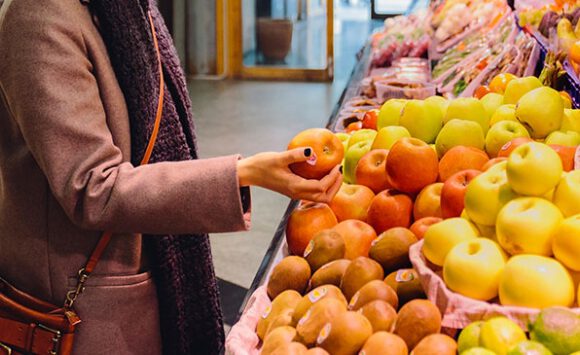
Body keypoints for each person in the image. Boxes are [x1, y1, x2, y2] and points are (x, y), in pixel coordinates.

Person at [0, 0, 342, 354]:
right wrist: (242, 174)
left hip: (143, 273)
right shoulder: (38, 16)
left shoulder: (129, 7)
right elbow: (92, 186)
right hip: (83, 305)